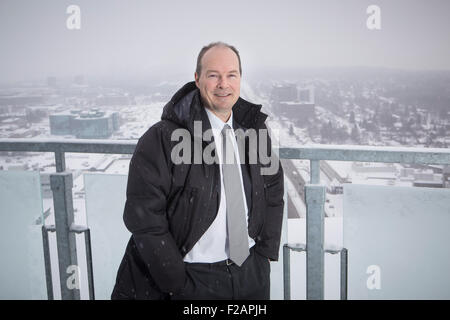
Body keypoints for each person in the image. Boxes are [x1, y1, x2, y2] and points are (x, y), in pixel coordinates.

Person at [111, 41, 284, 300]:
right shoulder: (162, 139)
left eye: (231, 75)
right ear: (197, 78)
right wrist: (175, 280)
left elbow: (273, 189)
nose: (223, 84)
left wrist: (265, 254)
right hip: (192, 279)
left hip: (250, 274)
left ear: (240, 79)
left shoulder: (255, 131)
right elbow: (145, 217)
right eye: (213, 75)